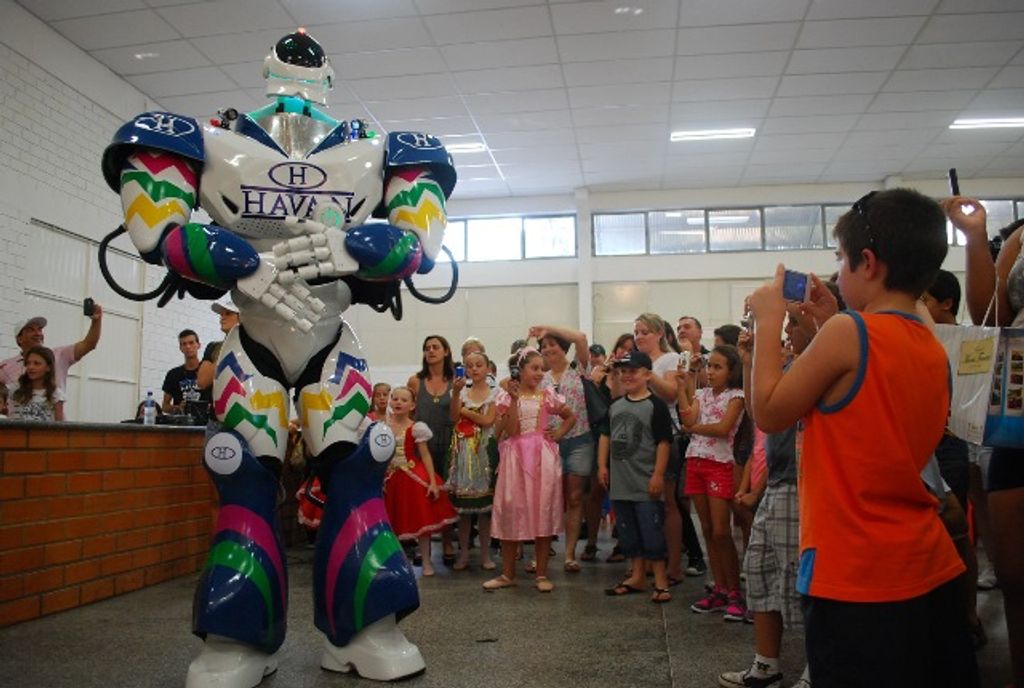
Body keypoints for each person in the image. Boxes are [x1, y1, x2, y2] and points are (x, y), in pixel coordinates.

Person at [102, 28, 458, 684]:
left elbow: (421, 248)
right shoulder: (206, 142)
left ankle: (363, 629)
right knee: (243, 479)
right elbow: (156, 232)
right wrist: (228, 258)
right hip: (256, 336)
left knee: (356, 471)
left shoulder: (381, 153)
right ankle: (240, 640)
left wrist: (362, 248)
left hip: (328, 336)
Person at [749, 189, 976, 687]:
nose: (839, 272)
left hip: (856, 576)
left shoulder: (848, 333)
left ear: (867, 262)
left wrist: (768, 321)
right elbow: (869, 386)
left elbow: (768, 411)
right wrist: (833, 318)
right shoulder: (928, 342)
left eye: (840, 261)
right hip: (929, 567)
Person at [945, 197, 1024, 688]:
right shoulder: (1021, 238)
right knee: (1016, 577)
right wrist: (976, 236)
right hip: (1018, 417)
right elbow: (989, 314)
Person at [719, 314, 810, 688]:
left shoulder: (822, 363)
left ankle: (817, 668)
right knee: (760, 571)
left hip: (804, 484)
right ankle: (766, 664)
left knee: (800, 581)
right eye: (785, 322)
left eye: (795, 323)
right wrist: (750, 359)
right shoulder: (790, 364)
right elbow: (763, 417)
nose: (787, 330)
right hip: (778, 481)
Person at [484, 348, 575, 593]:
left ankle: (542, 573)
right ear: (520, 370)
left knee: (542, 509)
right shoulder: (506, 397)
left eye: (541, 369)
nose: (539, 373)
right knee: (512, 509)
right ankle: (507, 574)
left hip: (542, 458)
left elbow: (570, 416)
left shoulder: (547, 395)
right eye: (534, 368)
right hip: (515, 457)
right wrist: (514, 399)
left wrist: (559, 433)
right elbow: (511, 431)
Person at [597, 351, 674, 603]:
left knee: (651, 530)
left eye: (633, 370)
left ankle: (661, 580)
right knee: (628, 531)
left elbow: (664, 442)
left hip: (645, 481)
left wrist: (658, 475)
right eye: (623, 371)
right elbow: (605, 436)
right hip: (621, 483)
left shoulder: (656, 405)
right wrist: (601, 466)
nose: (627, 375)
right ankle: (637, 575)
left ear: (647, 375)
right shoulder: (616, 405)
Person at [677, 345, 747, 621]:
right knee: (706, 529)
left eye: (718, 367)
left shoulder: (737, 396)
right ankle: (719, 588)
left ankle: (734, 592)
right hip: (695, 461)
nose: (711, 371)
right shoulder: (703, 394)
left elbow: (722, 429)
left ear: (732, 371)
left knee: (721, 531)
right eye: (710, 366)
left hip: (720, 464)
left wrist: (692, 429)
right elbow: (688, 416)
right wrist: (683, 387)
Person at [530, 324, 594, 575]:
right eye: (543, 347)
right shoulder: (539, 377)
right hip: (547, 443)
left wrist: (546, 328)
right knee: (547, 499)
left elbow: (580, 337)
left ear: (563, 347)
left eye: (552, 345)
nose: (547, 350)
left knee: (575, 497)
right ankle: (542, 555)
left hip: (579, 439)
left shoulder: (579, 369)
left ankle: (569, 554)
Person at [382, 387, 458, 578]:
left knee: (420, 519)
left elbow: (425, 454)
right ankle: (396, 563)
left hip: (411, 476)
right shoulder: (382, 426)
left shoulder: (415, 428)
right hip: (388, 478)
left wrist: (432, 481)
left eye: (404, 400)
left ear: (412, 405)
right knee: (392, 521)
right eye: (395, 398)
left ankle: (426, 560)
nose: (398, 402)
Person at [407, 335, 457, 566]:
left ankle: (447, 540)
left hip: (448, 444)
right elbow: (408, 413)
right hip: (422, 447)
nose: (431, 351)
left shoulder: (455, 380)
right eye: (427, 348)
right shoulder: (415, 382)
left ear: (446, 352)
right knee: (421, 494)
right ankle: (422, 545)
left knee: (446, 493)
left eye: (436, 347)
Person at [447, 351, 497, 571]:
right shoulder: (461, 392)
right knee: (463, 511)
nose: (474, 369)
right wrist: (457, 395)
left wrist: (465, 412)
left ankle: (486, 554)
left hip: (484, 453)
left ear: (487, 368)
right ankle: (464, 553)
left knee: (484, 511)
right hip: (463, 453)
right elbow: (453, 417)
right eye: (470, 366)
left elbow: (488, 421)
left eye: (479, 365)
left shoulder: (495, 393)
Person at [0, 307, 103, 395]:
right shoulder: (5, 366)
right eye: (30, 330)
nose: (38, 333)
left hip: (54, 418)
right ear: (19, 339)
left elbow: (89, 344)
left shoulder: (59, 355)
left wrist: (97, 320)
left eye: (39, 329)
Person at [195, 295, 240, 396]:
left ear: (241, 317)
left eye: (228, 313)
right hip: (217, 406)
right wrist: (229, 345)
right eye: (221, 315)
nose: (222, 318)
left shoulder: (252, 346)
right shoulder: (213, 347)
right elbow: (202, 382)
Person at [7, 346, 64, 422]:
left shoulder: (56, 395)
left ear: (48, 367)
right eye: (28, 363)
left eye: (36, 363)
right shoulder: (14, 388)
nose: (31, 367)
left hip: (41, 434)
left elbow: (59, 428)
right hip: (16, 433)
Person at [161, 329, 203, 413]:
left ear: (198, 345)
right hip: (181, 423)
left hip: (204, 424)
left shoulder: (208, 371)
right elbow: (165, 406)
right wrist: (178, 408)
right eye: (184, 344)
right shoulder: (173, 374)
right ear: (180, 348)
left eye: (191, 343)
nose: (188, 347)